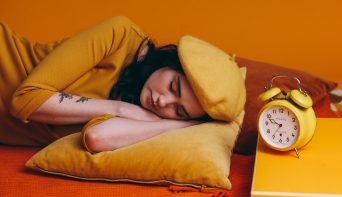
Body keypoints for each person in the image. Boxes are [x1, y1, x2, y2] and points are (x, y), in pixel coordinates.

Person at [0, 16, 209, 152]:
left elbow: (97, 137)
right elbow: (25, 99)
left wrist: (178, 125)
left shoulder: (149, 121)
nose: (163, 101)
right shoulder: (120, 36)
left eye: (179, 110)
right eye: (174, 86)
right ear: (172, 63)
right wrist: (120, 108)